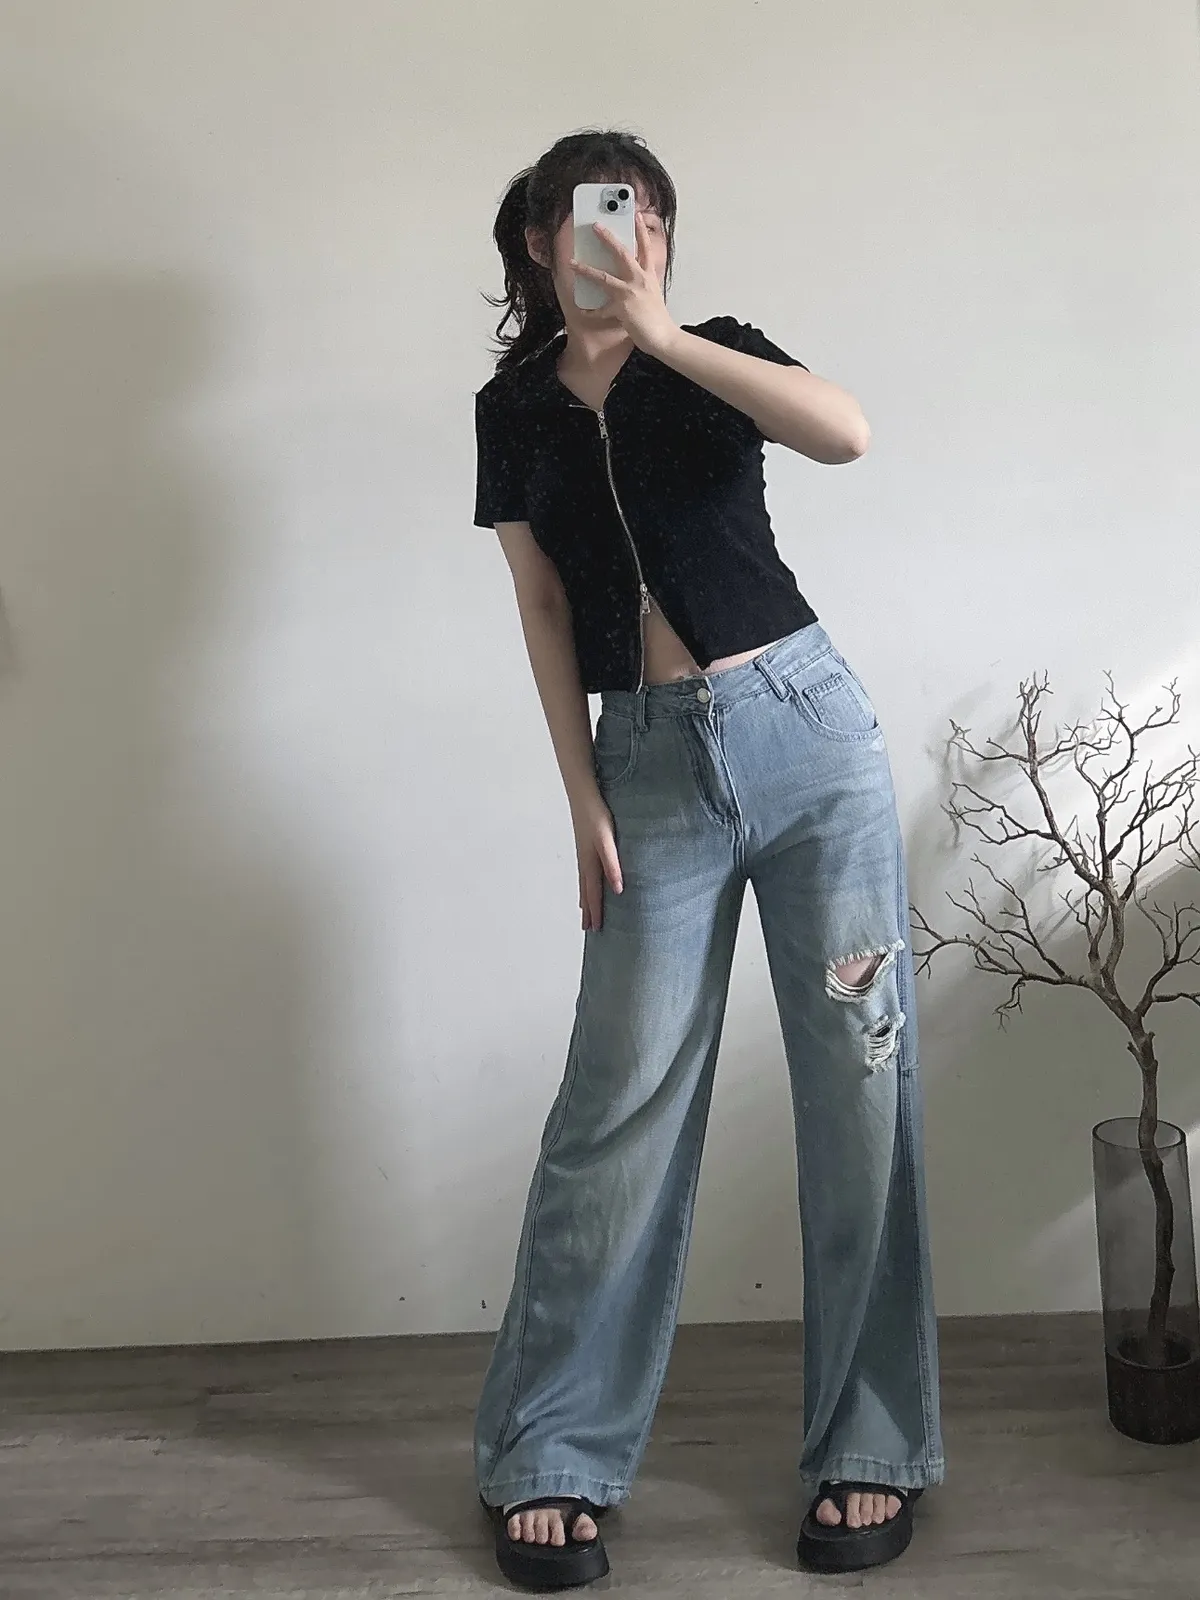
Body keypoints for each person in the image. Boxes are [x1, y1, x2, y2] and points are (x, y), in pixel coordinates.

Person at [470, 129, 943, 1590]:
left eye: (652, 218)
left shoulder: (714, 351)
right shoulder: (512, 408)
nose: (631, 239)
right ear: (543, 239)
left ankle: (872, 1445)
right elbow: (545, 608)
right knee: (614, 1106)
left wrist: (668, 337)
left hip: (808, 740)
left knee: (859, 1086)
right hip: (646, 768)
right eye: (600, 217)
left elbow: (847, 433)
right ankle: (553, 1449)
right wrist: (581, 797)